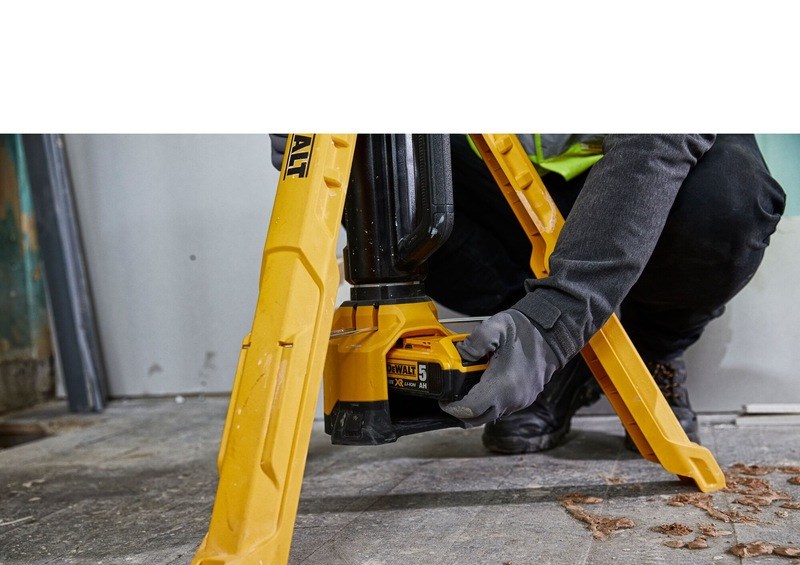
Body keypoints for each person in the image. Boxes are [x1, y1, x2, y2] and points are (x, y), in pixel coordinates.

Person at [271, 134, 786, 452]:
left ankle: (649, 351)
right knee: (383, 151)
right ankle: (550, 361)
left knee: (732, 197)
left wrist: (553, 321)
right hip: (500, 183)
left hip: (643, 171)